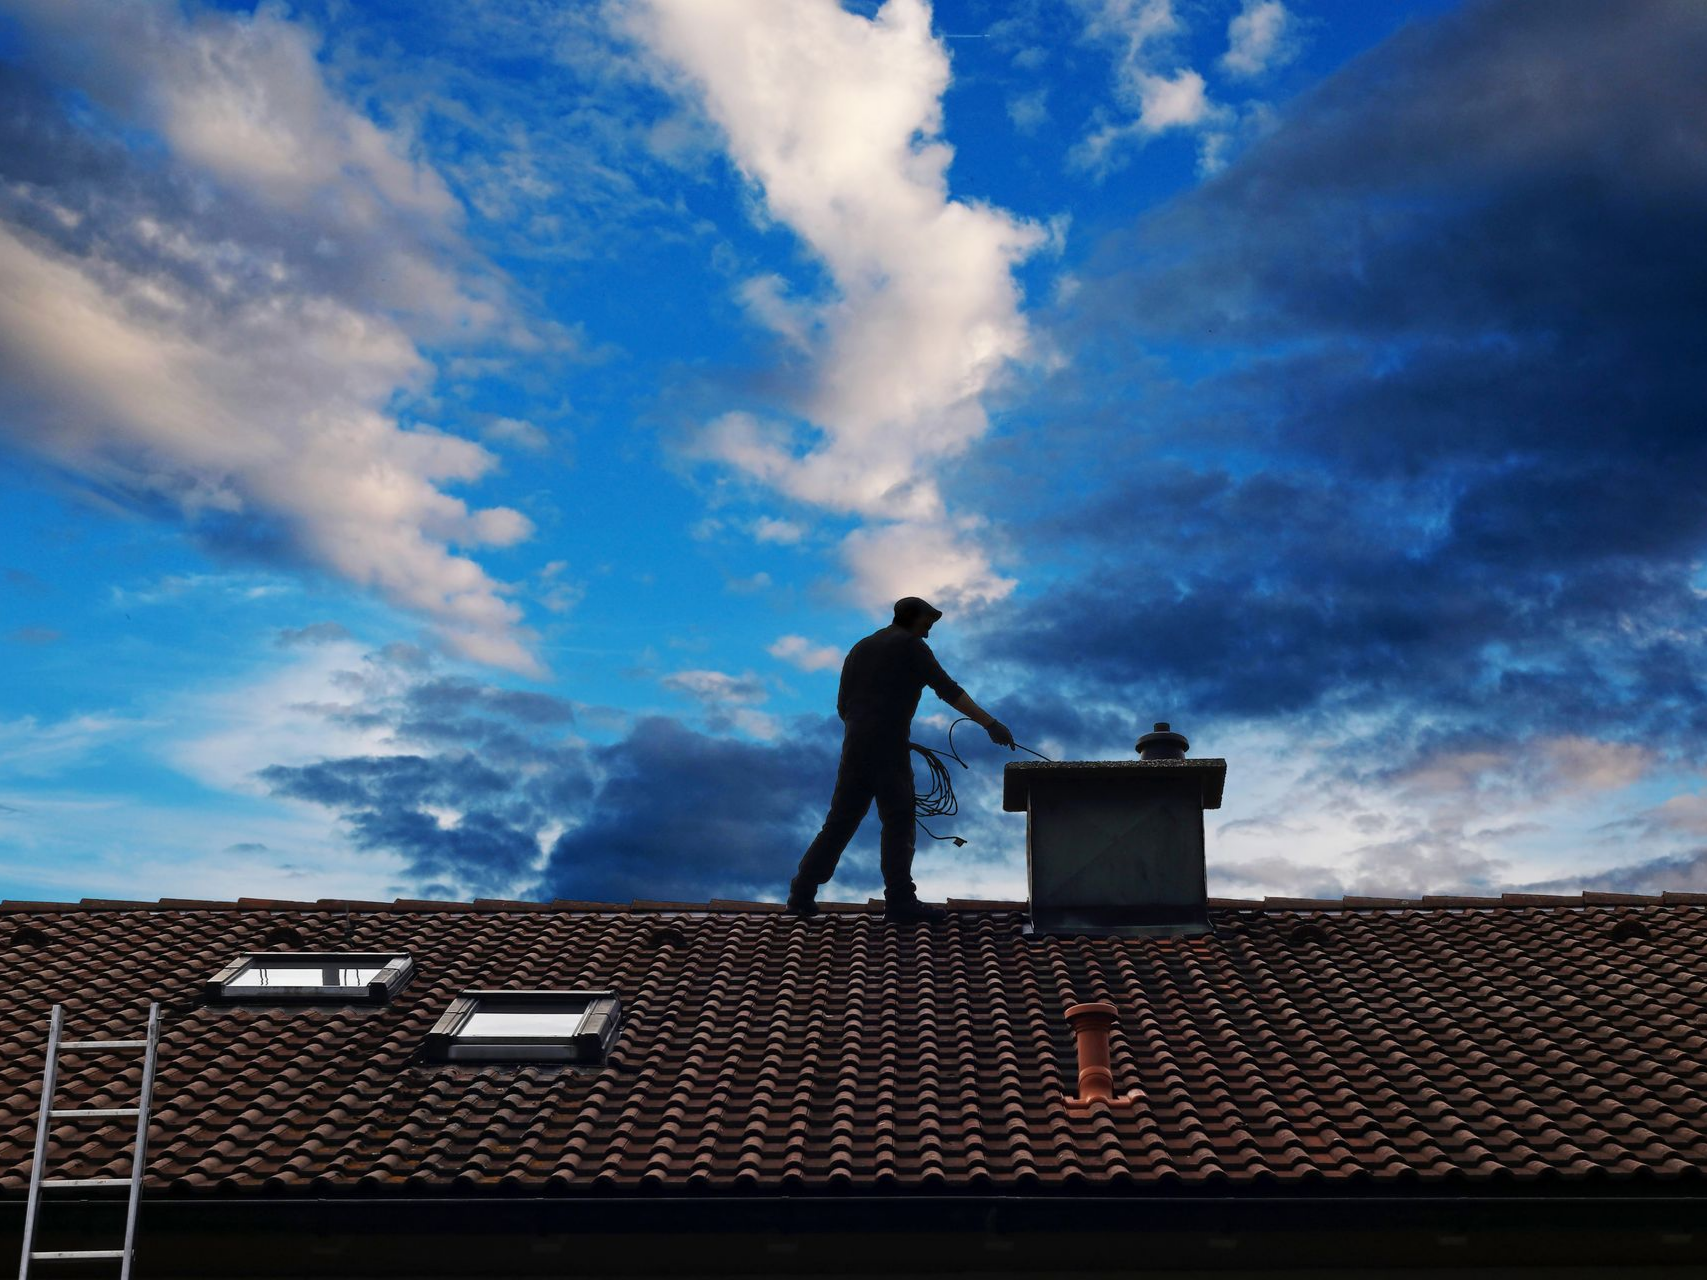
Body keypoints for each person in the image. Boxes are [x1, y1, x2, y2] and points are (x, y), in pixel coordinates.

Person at [786, 596, 1015, 924]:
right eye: (927, 623)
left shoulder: (859, 648)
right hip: (888, 749)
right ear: (912, 618)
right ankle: (900, 900)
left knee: (840, 822)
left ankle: (801, 893)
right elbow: (948, 689)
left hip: (855, 747)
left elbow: (843, 706)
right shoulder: (911, 646)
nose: (928, 632)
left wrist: (869, 732)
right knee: (899, 819)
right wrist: (990, 724)